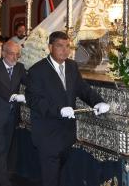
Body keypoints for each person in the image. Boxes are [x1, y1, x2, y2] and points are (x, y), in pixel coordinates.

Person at [26, 31, 110, 186]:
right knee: (51, 178)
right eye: (60, 46)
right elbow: (35, 100)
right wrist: (59, 110)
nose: (65, 50)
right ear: (50, 47)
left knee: (62, 175)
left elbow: (82, 88)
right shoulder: (37, 71)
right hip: (47, 133)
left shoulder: (71, 66)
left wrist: (98, 102)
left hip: (66, 133)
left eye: (67, 46)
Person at [0, 40, 27, 186]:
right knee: (0, 148)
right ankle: (3, 182)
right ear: (3, 53)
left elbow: (30, 82)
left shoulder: (20, 68)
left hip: (12, 115)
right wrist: (14, 96)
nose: (15, 58)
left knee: (5, 148)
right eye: (11, 54)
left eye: (17, 54)